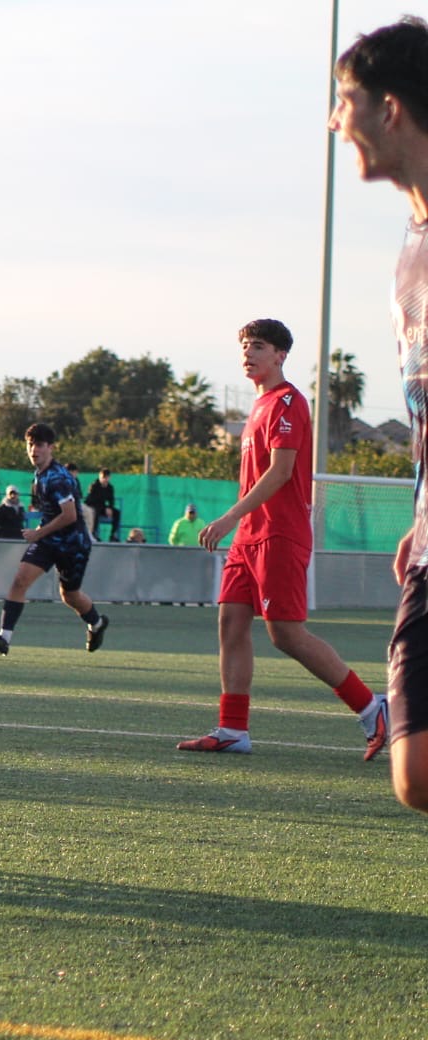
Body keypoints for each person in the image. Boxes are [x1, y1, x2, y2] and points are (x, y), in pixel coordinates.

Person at [176, 319, 388, 758]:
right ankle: (233, 729)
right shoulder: (258, 406)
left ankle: (372, 707)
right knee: (230, 622)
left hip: (279, 533)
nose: (248, 354)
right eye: (244, 346)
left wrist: (228, 517)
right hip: (249, 537)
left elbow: (281, 472)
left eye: (257, 346)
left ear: (280, 355)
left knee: (286, 634)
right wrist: (239, 525)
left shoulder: (289, 401)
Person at [330, 17, 428, 806]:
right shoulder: (412, 242)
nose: (336, 121)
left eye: (345, 101)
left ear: (390, 109)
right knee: (416, 772)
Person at [0, 424, 108, 655]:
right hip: (49, 540)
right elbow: (52, 512)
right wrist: (42, 531)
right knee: (20, 581)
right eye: (30, 445)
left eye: (39, 445)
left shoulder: (57, 477)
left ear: (51, 447)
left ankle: (97, 624)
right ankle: (4, 638)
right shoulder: (39, 475)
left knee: (70, 595)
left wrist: (38, 532)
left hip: (73, 544)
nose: (33, 450)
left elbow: (70, 515)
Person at [85, 468, 121, 543]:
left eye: (107, 477)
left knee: (117, 513)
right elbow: (93, 500)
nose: (105, 480)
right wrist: (105, 508)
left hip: (102, 507)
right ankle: (94, 533)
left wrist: (110, 508)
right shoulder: (94, 486)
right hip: (93, 506)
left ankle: (113, 535)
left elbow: (111, 500)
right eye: (103, 477)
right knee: (95, 511)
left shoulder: (110, 487)